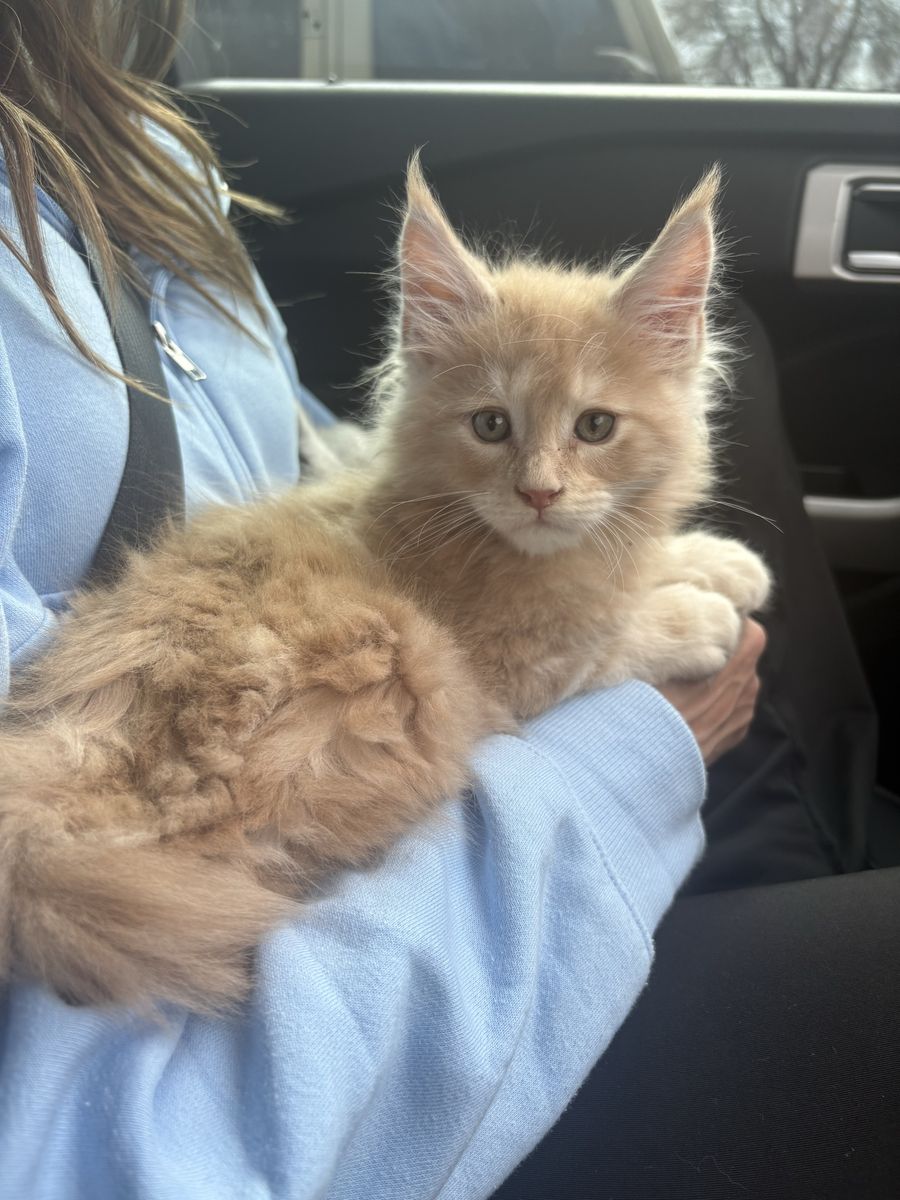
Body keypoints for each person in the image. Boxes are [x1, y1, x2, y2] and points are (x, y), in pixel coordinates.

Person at [0, 3, 893, 1198]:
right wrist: (626, 729)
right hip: (334, 997)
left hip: (447, 801)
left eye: (584, 430)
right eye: (496, 430)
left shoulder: (136, 149)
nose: (539, 479)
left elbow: (321, 445)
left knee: (743, 469)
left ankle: (820, 836)